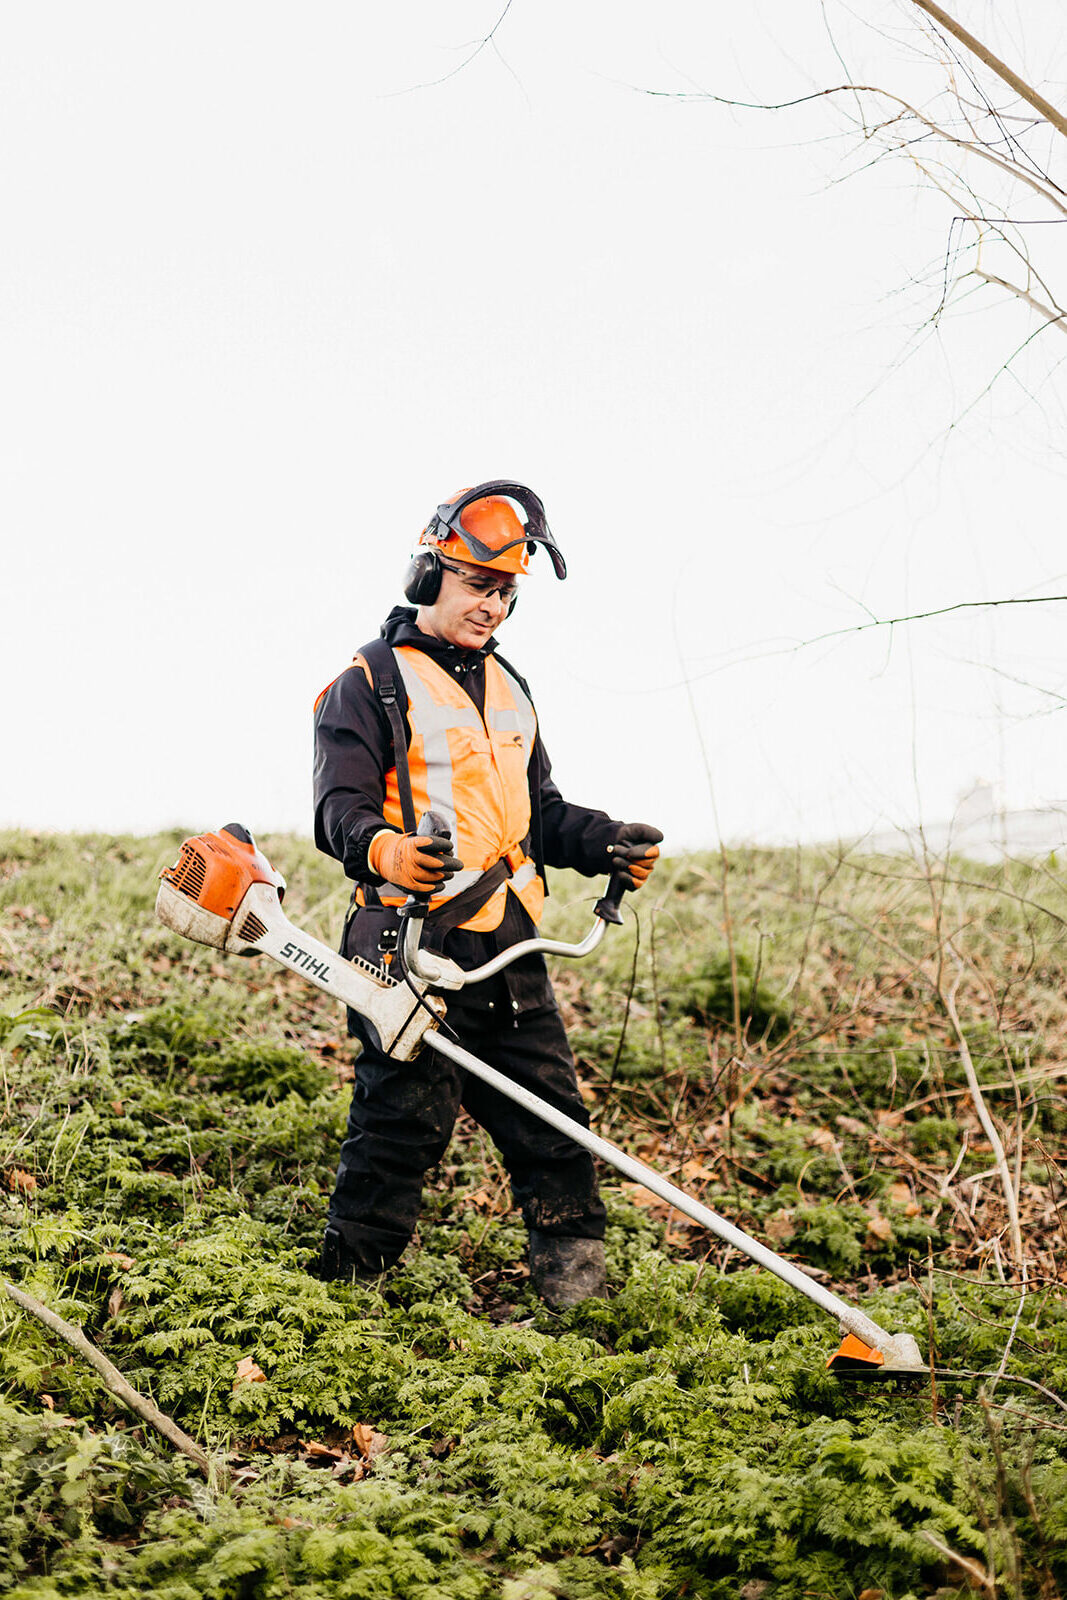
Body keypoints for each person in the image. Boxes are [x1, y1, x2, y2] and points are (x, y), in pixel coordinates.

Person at [312, 481, 662, 1307]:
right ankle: (341, 1302)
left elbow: (534, 814)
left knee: (553, 1123)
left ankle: (577, 1301)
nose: (493, 606)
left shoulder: (511, 689)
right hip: (407, 945)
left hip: (510, 945)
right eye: (478, 584)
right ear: (428, 574)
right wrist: (386, 850)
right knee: (401, 1128)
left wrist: (602, 840)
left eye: (505, 592)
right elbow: (337, 811)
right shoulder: (369, 682)